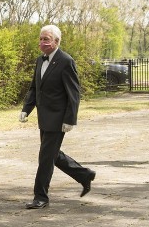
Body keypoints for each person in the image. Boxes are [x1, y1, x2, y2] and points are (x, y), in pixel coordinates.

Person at [19, 25, 95, 210]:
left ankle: (40, 197)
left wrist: (70, 119)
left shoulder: (66, 61)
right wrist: (26, 109)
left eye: (46, 39)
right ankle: (84, 174)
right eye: (40, 39)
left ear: (56, 41)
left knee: (45, 157)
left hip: (58, 118)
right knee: (52, 154)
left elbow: (74, 94)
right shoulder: (40, 60)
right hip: (43, 117)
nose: (42, 42)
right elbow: (34, 88)